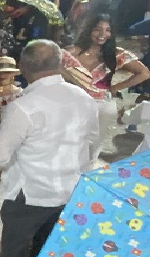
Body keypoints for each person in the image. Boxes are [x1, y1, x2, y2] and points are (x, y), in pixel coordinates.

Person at [0, 39, 99, 257]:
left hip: (31, 191)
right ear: (60, 63)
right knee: (49, 238)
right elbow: (92, 141)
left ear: (22, 67)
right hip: (70, 187)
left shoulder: (24, 106)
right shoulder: (84, 98)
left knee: (15, 244)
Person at [62, 14, 150, 153]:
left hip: (102, 106)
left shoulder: (116, 54)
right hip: (72, 105)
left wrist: (115, 88)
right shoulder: (70, 53)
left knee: (92, 147)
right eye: (97, 29)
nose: (103, 34)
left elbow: (144, 73)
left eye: (107, 30)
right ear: (89, 30)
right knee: (67, 143)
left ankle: (86, 173)